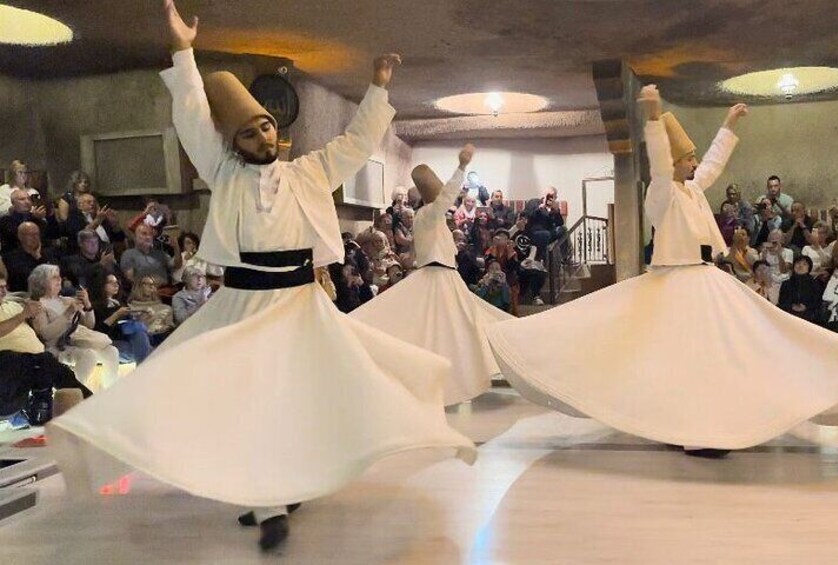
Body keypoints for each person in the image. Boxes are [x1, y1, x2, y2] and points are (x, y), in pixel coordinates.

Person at [47, 0, 474, 554]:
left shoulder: (310, 172)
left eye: (267, 125)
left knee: (312, 397)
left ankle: (283, 486)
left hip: (300, 303)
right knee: (240, 403)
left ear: (278, 129)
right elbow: (193, 119)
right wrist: (183, 51)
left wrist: (378, 87)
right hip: (244, 304)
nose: (261, 137)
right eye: (248, 132)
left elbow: (356, 144)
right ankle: (270, 500)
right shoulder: (222, 173)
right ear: (235, 142)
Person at [486, 84, 838, 459]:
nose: (694, 163)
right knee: (684, 360)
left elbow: (710, 166)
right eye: (687, 158)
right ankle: (691, 429)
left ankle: (697, 426)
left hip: (702, 279)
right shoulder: (662, 194)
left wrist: (728, 124)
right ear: (674, 162)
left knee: (709, 356)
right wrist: (654, 120)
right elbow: (659, 167)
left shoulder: (691, 190)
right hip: (675, 281)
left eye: (692, 158)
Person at [353, 145, 512, 405]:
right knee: (448, 329)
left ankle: (450, 379)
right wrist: (461, 167)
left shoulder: (429, 217)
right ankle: (445, 381)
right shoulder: (428, 214)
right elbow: (446, 199)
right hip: (438, 277)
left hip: (444, 277)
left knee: (456, 329)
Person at [0, 272, 92, 425]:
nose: (3, 291)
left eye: (4, 287)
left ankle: (86, 404)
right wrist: (23, 315)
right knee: (39, 362)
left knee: (48, 365)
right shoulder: (20, 311)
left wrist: (34, 316)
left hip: (32, 361)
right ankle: (89, 403)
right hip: (6, 363)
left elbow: (39, 332)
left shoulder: (14, 306)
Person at [29, 264, 120, 392]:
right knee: (89, 355)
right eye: (54, 277)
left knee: (112, 351)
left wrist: (88, 305)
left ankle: (110, 393)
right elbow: (45, 334)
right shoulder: (38, 305)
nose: (59, 280)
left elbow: (89, 325)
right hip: (58, 346)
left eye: (59, 277)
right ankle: (73, 394)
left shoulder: (66, 300)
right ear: (41, 281)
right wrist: (68, 313)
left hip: (78, 340)